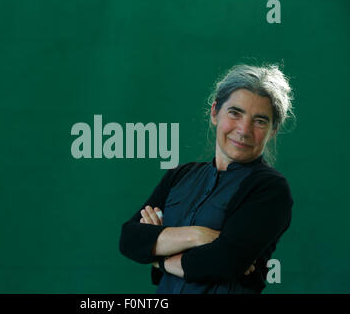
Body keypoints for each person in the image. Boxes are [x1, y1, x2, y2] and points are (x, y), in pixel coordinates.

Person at [119, 64, 294, 293]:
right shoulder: (180, 176)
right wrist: (196, 235)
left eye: (260, 121)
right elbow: (130, 239)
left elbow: (223, 261)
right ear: (214, 112)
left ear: (273, 131)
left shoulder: (269, 189)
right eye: (235, 113)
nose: (244, 129)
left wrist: (158, 256)